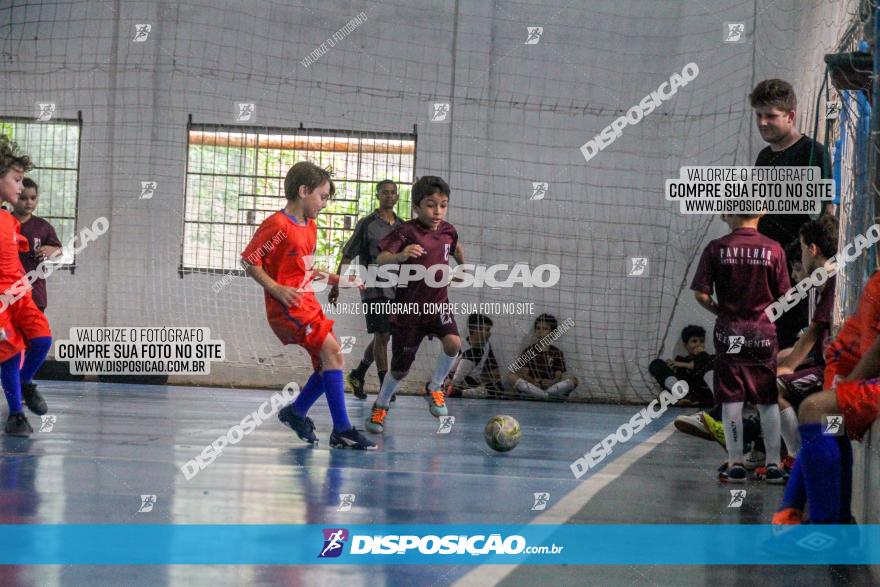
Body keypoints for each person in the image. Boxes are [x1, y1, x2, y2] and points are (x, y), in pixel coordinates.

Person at [241, 161, 375, 450]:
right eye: (323, 196)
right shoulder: (277, 225)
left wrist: (339, 279)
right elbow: (249, 261)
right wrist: (276, 288)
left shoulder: (310, 227)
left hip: (308, 303)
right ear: (303, 191)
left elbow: (308, 271)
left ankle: (296, 412)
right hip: (287, 308)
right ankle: (343, 430)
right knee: (334, 354)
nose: (325, 204)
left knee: (328, 363)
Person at [691, 213, 790, 484]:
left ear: (730, 214)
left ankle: (735, 463)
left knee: (732, 399)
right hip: (762, 335)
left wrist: (720, 311)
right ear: (762, 212)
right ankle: (772, 464)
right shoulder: (774, 249)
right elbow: (786, 296)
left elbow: (701, 294)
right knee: (767, 400)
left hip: (729, 333)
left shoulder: (717, 248)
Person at [364, 175, 464, 434]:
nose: (438, 211)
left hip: (438, 305)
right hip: (408, 311)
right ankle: (381, 405)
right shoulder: (405, 231)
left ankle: (435, 386)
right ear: (417, 207)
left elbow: (456, 248)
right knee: (399, 370)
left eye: (443, 204)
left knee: (454, 343)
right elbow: (382, 258)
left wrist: (462, 268)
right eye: (431, 205)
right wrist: (400, 255)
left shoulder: (448, 230)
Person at [750, 79, 832, 351]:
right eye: (759, 115)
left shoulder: (814, 152)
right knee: (766, 335)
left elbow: (825, 213)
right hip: (768, 267)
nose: (763, 123)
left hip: (799, 269)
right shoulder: (763, 157)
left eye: (771, 116)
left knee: (793, 338)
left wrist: (805, 261)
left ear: (791, 116)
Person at [329, 180, 402, 400]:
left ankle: (358, 374)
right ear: (378, 196)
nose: (389, 196)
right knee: (382, 334)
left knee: (385, 337)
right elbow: (349, 254)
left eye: (392, 193)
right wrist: (336, 283)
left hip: (396, 288)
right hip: (373, 287)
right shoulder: (367, 224)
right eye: (385, 193)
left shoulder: (402, 226)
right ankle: (385, 387)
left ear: (397, 197)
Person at [0, 136, 53, 435]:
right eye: (17, 180)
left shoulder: (10, 221)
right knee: (8, 352)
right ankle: (16, 414)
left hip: (20, 292)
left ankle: (24, 382)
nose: (21, 189)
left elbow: (13, 255)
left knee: (43, 340)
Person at [13, 178, 62, 312]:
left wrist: (52, 251)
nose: (29, 202)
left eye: (33, 198)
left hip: (35, 292)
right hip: (8, 291)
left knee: (35, 331)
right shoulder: (5, 222)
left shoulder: (43, 227)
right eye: (23, 198)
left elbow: (58, 252)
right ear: (14, 197)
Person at [506, 314, 579, 401]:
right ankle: (545, 396)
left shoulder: (556, 352)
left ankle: (543, 395)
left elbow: (559, 377)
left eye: (545, 329)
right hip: (533, 387)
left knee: (574, 380)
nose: (540, 331)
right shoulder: (529, 351)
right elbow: (524, 374)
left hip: (551, 387)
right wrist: (533, 381)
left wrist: (551, 382)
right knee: (511, 376)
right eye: (538, 328)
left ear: (553, 332)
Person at [648, 325, 714, 407]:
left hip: (705, 393)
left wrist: (700, 354)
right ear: (685, 345)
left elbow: (702, 364)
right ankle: (684, 398)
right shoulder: (680, 360)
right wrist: (672, 369)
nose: (698, 345)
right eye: (694, 341)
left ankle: (678, 400)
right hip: (685, 391)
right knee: (656, 364)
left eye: (701, 341)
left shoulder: (709, 358)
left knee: (704, 362)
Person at [445, 313, 502, 399]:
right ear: (476, 330)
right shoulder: (459, 344)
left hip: (473, 383)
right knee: (475, 352)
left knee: (497, 388)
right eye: (487, 330)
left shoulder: (487, 346)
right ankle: (453, 387)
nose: (489, 333)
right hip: (454, 380)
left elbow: (495, 373)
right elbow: (448, 369)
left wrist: (484, 380)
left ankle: (459, 393)